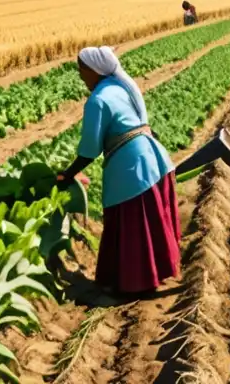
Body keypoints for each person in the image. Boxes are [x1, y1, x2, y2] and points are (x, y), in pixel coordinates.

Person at [56, 46, 180, 296]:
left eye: (81, 69)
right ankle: (153, 274)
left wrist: (66, 175)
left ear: (94, 70)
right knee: (150, 221)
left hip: (132, 169)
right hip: (153, 157)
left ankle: (137, 284)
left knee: (135, 224)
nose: (80, 75)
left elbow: (90, 149)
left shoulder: (99, 99)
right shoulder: (120, 87)